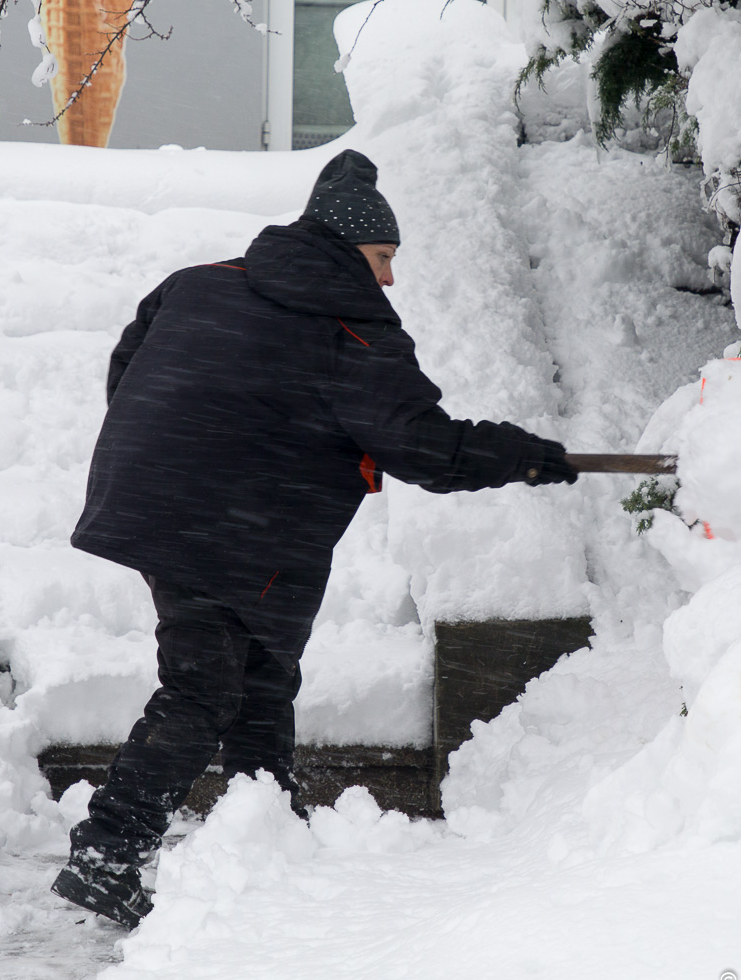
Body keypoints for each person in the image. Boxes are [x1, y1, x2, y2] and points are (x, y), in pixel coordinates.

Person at [52, 149, 578, 927]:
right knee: (204, 687)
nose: (390, 279)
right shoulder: (351, 335)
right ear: (345, 250)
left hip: (167, 504)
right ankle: (107, 855)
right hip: (238, 524)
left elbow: (129, 367)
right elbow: (425, 448)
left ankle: (266, 834)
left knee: (259, 673)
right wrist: (525, 457)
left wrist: (181, 454)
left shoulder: (197, 284)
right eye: (383, 258)